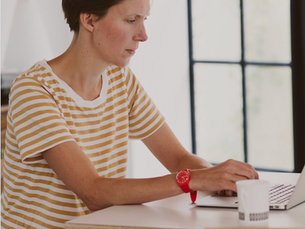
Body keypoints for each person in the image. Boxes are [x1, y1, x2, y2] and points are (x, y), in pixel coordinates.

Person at [1, 0, 258, 228]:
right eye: (131, 20)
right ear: (89, 20)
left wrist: (220, 179)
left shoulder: (120, 80)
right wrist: (196, 179)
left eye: (144, 20)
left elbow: (178, 158)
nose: (143, 35)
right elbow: (93, 191)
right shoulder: (34, 90)